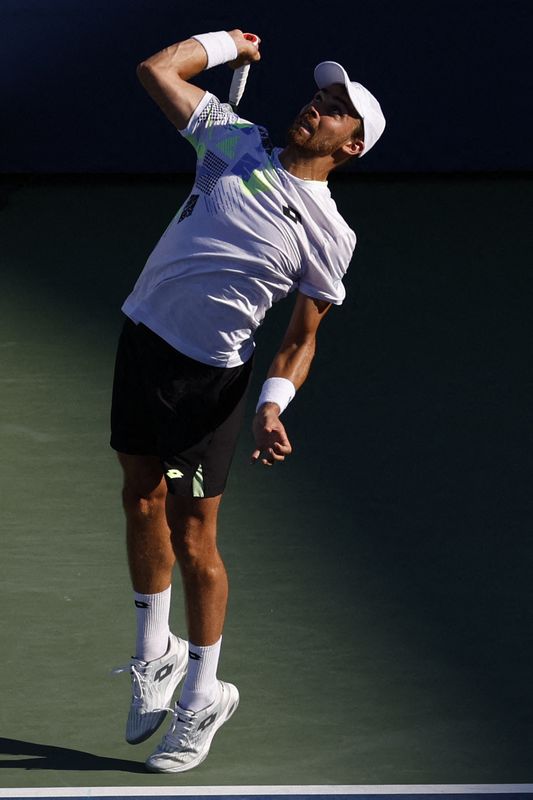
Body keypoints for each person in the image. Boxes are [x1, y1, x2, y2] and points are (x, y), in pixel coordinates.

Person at [110, 28, 385, 774]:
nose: (316, 108)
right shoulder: (235, 142)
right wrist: (224, 43)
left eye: (336, 112)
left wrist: (271, 405)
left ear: (350, 147)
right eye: (319, 97)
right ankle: (152, 655)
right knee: (138, 497)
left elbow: (300, 339)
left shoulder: (329, 235)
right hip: (143, 340)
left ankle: (204, 693)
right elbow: (155, 69)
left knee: (193, 538)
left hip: (209, 383)